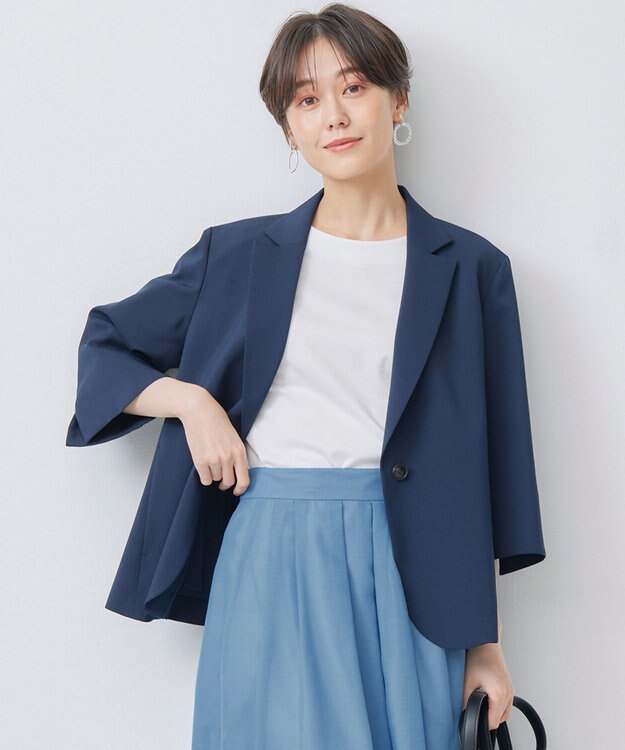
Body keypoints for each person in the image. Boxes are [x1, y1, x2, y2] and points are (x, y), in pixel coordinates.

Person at [66, 4, 546, 749]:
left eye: (354, 88)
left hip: (416, 569)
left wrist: (485, 645)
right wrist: (191, 403)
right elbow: (106, 344)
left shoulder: (471, 269)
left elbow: (491, 464)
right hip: (273, 553)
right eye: (307, 99)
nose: (334, 117)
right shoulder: (236, 256)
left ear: (398, 100)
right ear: (289, 127)